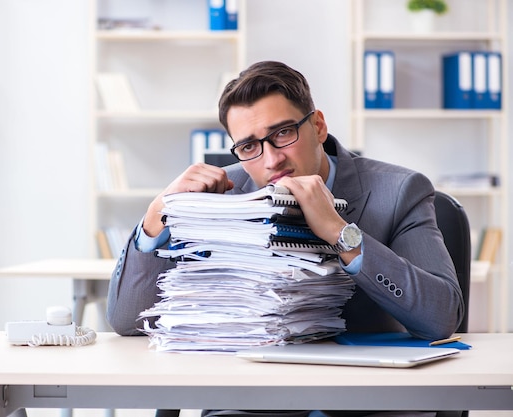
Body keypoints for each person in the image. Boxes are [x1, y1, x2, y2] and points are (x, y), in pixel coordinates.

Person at [106, 61, 465, 417]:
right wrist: (156, 216)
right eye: (249, 147)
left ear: (319, 126)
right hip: (248, 403)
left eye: (283, 133)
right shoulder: (221, 197)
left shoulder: (399, 191)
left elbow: (440, 318)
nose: (272, 159)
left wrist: (343, 234)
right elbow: (125, 320)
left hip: (366, 402)